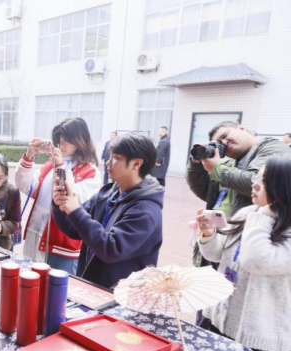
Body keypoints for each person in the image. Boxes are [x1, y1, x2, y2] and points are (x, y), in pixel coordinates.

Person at [196, 155, 291, 351]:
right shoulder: (250, 213)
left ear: (283, 186)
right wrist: (207, 233)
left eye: (264, 180)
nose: (254, 183)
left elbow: (256, 259)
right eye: (256, 177)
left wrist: (265, 213)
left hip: (262, 343)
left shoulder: (265, 220)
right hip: (219, 324)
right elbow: (218, 253)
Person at [52, 133, 164, 288]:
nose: (108, 162)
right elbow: (73, 229)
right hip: (90, 285)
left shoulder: (145, 211)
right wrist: (61, 205)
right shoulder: (107, 194)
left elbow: (111, 249)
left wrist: (76, 210)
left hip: (120, 295)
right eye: (110, 156)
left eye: (116, 158)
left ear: (137, 163)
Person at [15, 118, 102, 274]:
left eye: (67, 141)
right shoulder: (50, 165)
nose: (62, 145)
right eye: (60, 141)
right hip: (37, 238)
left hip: (63, 247)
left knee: (59, 288)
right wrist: (29, 155)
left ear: (80, 141)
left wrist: (60, 166)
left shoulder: (90, 171)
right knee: (31, 283)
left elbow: (73, 198)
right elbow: (27, 186)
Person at [187, 121, 291, 218]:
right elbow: (207, 192)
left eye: (225, 135)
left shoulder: (273, 147)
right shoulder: (229, 164)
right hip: (223, 229)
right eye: (219, 144)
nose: (224, 142)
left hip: (254, 227)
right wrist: (196, 163)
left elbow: (258, 184)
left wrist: (217, 168)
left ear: (241, 128)